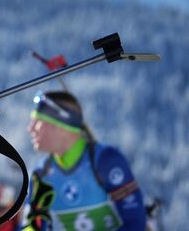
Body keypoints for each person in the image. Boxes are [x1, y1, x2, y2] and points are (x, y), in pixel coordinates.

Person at [22, 91, 147, 230]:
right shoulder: (41, 174)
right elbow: (32, 227)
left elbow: (135, 223)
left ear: (62, 125)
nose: (30, 128)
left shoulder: (105, 160)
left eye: (38, 122)